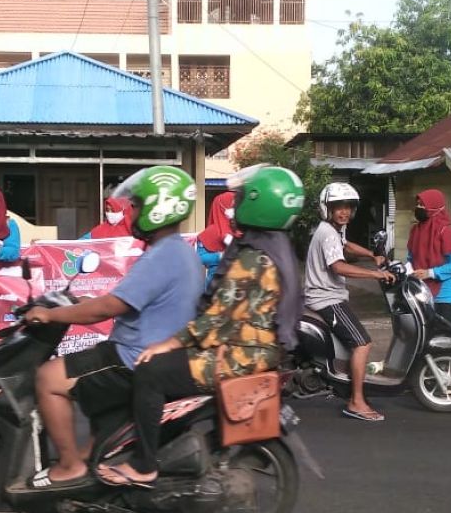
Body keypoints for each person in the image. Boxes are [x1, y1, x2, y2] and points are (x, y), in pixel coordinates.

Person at [96, 165, 305, 488]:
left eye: (239, 198)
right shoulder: (272, 247)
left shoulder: (253, 258)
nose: (234, 205)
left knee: (151, 371)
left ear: (258, 203)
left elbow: (217, 320)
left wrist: (170, 343)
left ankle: (144, 464)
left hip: (239, 356)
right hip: (252, 349)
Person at [20, 165, 204, 489]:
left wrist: (50, 315)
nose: (130, 211)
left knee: (47, 377)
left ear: (158, 209)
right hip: (146, 351)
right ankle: (94, 460)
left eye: (137, 205)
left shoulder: (163, 255)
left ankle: (69, 466)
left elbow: (107, 308)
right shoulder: (178, 252)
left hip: (132, 357)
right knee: (90, 375)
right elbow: (128, 298)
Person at [305, 182, 396, 422]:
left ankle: (347, 382)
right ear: (328, 209)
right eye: (338, 207)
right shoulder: (327, 233)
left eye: (347, 207)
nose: (344, 212)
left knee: (355, 341)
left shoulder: (333, 230)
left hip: (329, 295)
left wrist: (371, 255)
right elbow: (338, 266)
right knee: (363, 343)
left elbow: (345, 245)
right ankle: (356, 402)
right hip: (326, 298)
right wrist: (375, 273)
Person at [406, 189, 451, 327]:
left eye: (423, 205)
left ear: (434, 207)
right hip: (421, 290)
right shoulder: (416, 230)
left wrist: (430, 273)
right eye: (418, 204)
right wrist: (408, 269)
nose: (419, 208)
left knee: (445, 334)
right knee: (425, 333)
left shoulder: (447, 232)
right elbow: (411, 257)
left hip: (444, 293)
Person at [195, 191, 242, 286]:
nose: (235, 208)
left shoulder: (238, 229)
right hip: (215, 284)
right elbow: (199, 258)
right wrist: (220, 256)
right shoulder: (210, 232)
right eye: (232, 204)